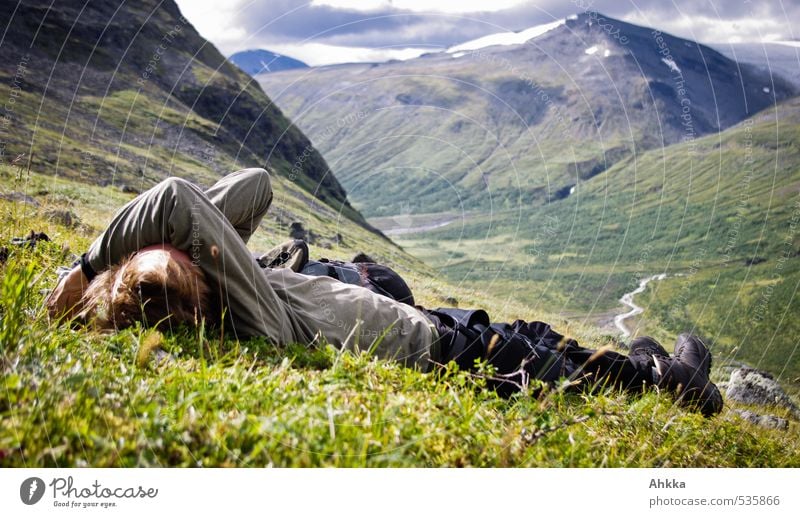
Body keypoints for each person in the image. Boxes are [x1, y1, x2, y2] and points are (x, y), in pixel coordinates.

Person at [46, 168, 723, 416]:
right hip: (448, 352)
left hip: (427, 321)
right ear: (187, 303)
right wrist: (84, 271)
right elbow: (174, 200)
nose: (185, 253)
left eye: (174, 250)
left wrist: (157, 253)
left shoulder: (228, 278)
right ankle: (675, 380)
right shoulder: (249, 317)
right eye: (175, 266)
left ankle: (655, 363)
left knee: (536, 335)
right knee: (566, 367)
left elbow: (252, 184)